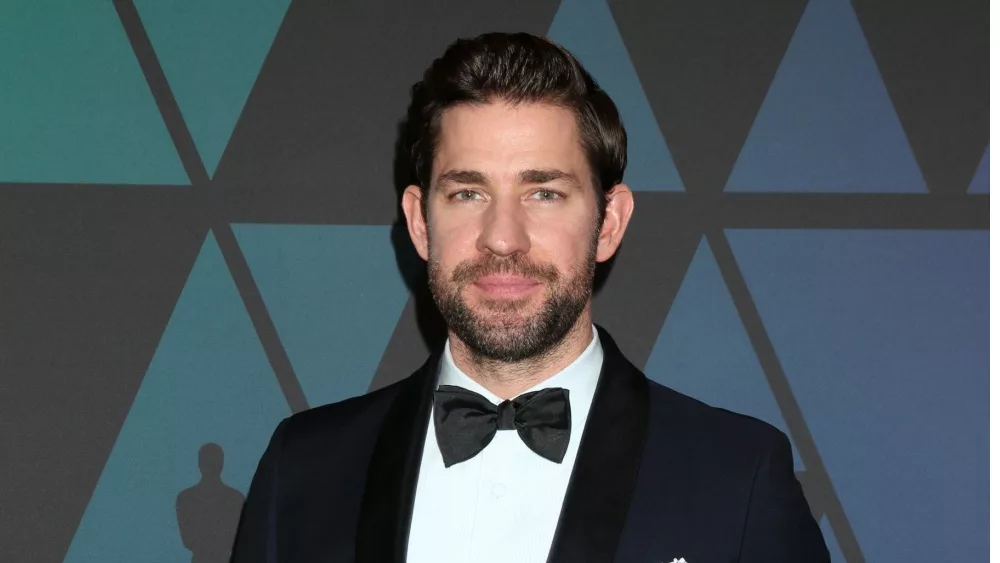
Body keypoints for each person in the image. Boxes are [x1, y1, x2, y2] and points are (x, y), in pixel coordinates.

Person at [230, 32, 829, 563]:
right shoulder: (303, 471)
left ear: (610, 222)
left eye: (544, 193)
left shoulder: (738, 478)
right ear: (419, 221)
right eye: (468, 193)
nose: (502, 238)